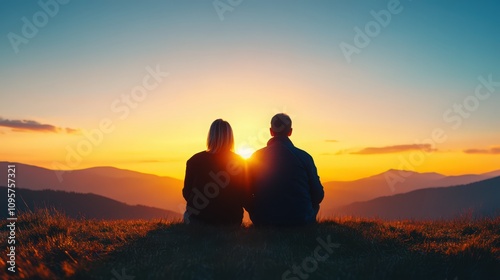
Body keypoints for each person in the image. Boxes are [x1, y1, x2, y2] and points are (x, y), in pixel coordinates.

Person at [247, 113, 324, 226]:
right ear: (290, 131)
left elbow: (246, 193)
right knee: (314, 205)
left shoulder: (255, 157)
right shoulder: (305, 157)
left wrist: (256, 209)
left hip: (264, 221)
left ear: (271, 131)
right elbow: (318, 195)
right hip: (300, 221)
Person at [182, 119, 247, 225]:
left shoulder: (194, 160)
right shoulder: (240, 162)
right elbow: (245, 194)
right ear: (230, 138)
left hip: (199, 219)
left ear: (210, 136)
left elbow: (187, 193)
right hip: (230, 220)